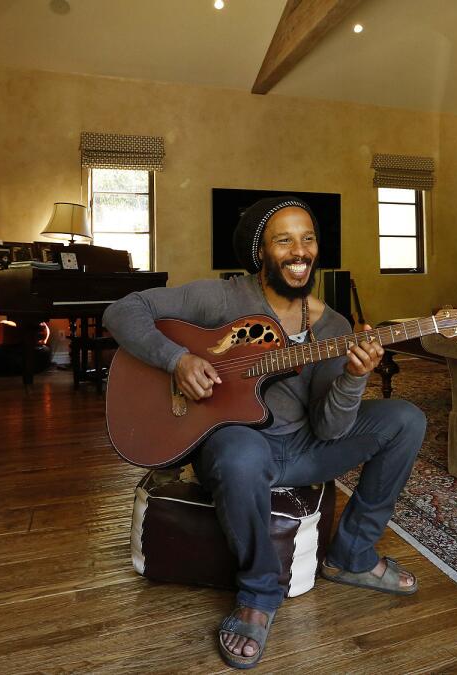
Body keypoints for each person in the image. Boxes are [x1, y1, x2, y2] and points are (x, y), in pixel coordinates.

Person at [103, 196, 425, 669]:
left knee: (407, 419)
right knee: (240, 455)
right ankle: (258, 593)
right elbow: (123, 311)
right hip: (238, 444)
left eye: (309, 238)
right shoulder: (223, 297)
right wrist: (179, 360)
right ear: (261, 253)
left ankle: (351, 554)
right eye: (285, 240)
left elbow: (330, 427)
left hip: (301, 447)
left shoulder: (333, 325)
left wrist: (355, 377)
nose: (300, 251)